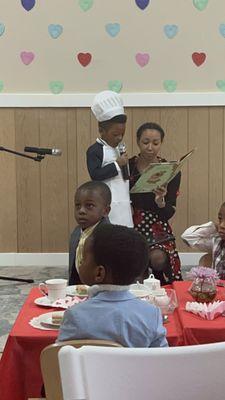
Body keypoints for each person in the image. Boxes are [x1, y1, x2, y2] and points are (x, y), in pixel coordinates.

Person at [59, 224, 168, 348]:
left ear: (99, 273)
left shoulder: (75, 315)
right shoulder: (151, 314)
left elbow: (62, 359)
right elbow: (161, 360)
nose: (80, 263)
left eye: (83, 259)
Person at [129, 122, 182, 285]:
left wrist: (160, 202)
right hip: (130, 221)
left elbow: (169, 212)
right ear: (138, 142)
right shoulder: (128, 167)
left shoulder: (170, 170)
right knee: (134, 262)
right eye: (145, 142)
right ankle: (140, 282)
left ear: (161, 143)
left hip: (157, 225)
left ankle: (160, 285)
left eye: (155, 143)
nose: (150, 147)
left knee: (158, 258)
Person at [87, 90, 133, 227]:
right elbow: (95, 175)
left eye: (122, 134)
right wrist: (117, 165)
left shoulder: (119, 149)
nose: (119, 138)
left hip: (124, 204)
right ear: (101, 130)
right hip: (106, 206)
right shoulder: (95, 150)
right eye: (115, 134)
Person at [68, 180, 111, 285]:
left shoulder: (109, 237)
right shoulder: (76, 233)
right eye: (77, 205)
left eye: (89, 206)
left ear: (106, 211)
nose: (81, 210)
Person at [181, 201, 225, 279]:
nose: (222, 225)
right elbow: (187, 237)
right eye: (220, 219)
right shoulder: (217, 242)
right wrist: (214, 226)